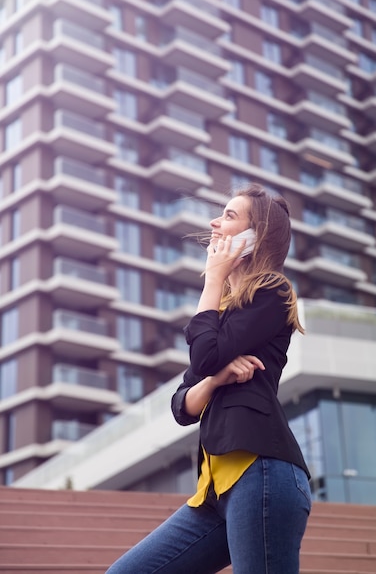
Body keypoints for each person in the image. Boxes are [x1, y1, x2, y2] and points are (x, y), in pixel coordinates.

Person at [105, 183, 311, 574]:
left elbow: (204, 355)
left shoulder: (272, 292)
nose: (215, 222)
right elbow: (182, 403)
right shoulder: (222, 313)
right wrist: (215, 381)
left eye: (230, 216)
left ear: (257, 235)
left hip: (261, 472)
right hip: (215, 491)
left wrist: (212, 281)